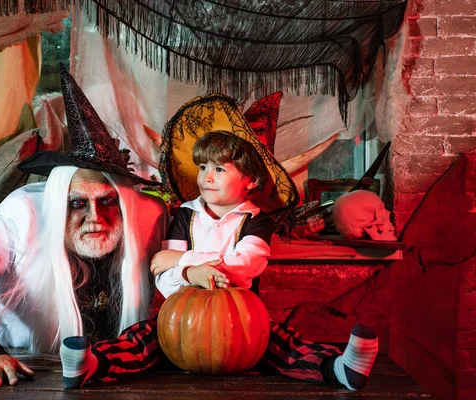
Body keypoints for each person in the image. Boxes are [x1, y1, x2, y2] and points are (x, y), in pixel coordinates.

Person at [60, 94, 379, 392]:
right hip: (182, 318)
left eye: (219, 169)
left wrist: (186, 263)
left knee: (283, 344)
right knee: (144, 338)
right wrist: (185, 273)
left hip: (243, 321)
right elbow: (163, 275)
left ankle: (336, 367)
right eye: (202, 168)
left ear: (250, 181)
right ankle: (93, 364)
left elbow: (247, 267)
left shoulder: (256, 220)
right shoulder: (185, 216)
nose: (206, 177)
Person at [0, 64, 168, 387]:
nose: (95, 217)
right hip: (30, 372)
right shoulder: (25, 214)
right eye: (77, 203)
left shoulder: (149, 216)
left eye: (107, 201)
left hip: (113, 376)